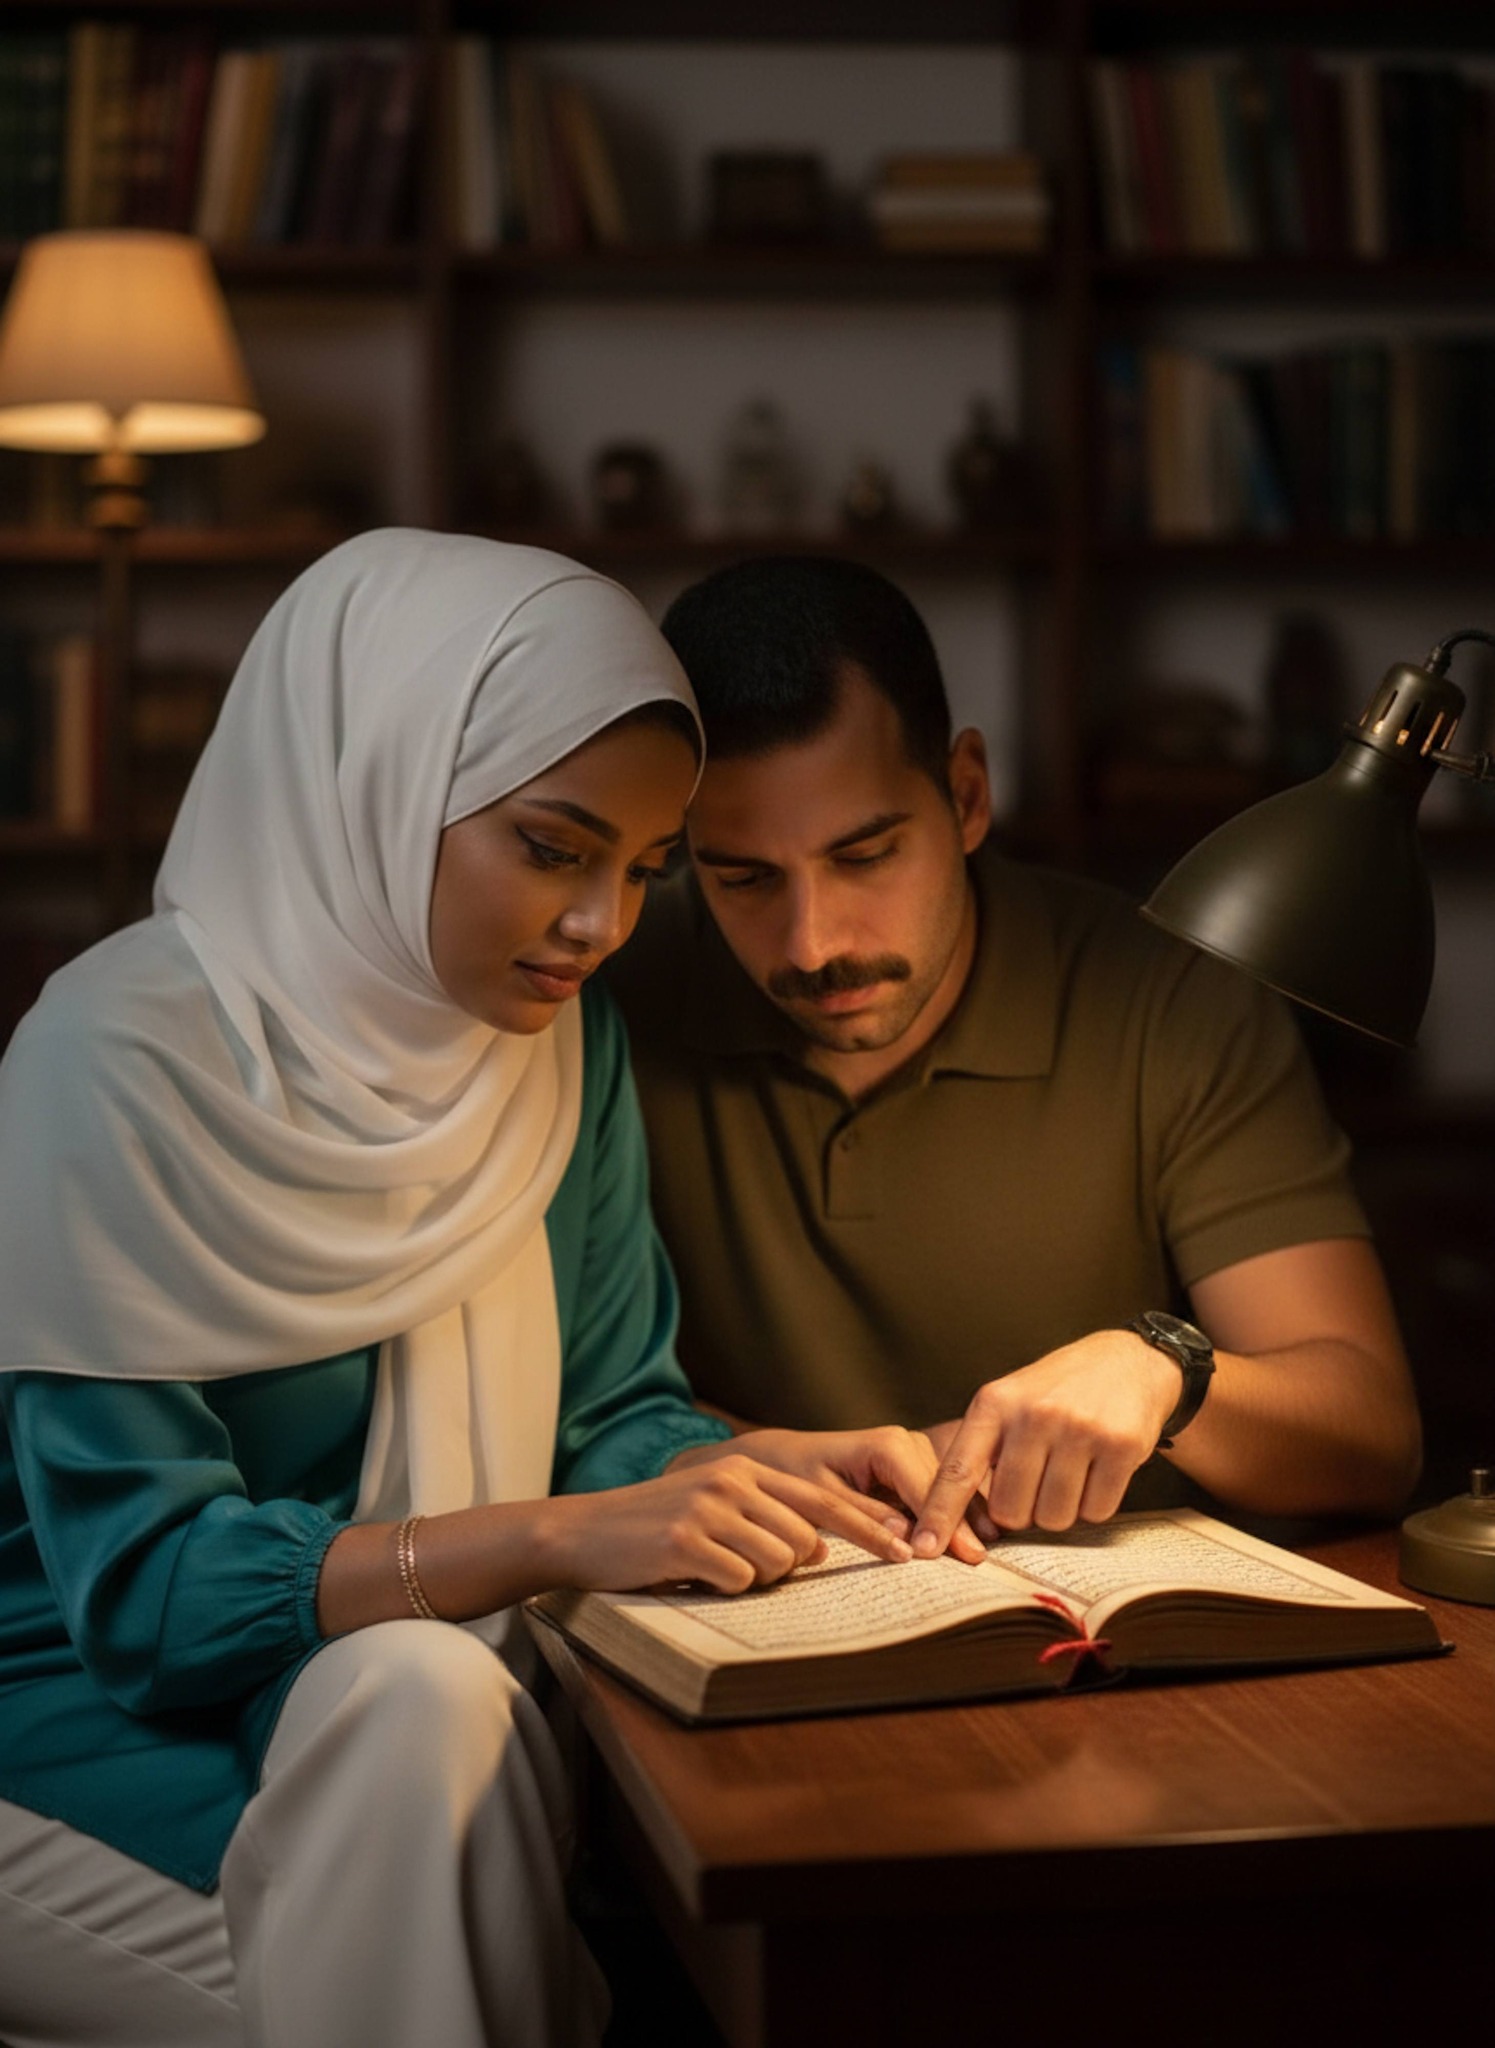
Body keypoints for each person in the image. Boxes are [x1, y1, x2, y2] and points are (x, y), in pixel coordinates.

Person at [0, 531, 948, 2048]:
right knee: (422, 1787)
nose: (600, 927)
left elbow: (607, 1416)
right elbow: (145, 1602)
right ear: (376, 781)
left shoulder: (558, 1050)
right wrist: (553, 1536)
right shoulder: (107, 1066)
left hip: (378, 1711)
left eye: (644, 872)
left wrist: (747, 1468)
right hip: (78, 1725)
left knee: (418, 1708)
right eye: (554, 848)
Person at [605, 554, 1423, 1558]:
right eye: (742, 878)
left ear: (966, 794)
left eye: (864, 855)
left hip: (1115, 1655)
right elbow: (542, 1415)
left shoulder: (1164, 994)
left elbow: (1370, 1434)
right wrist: (764, 1459)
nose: (812, 943)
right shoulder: (604, 995)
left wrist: (1168, 1371)